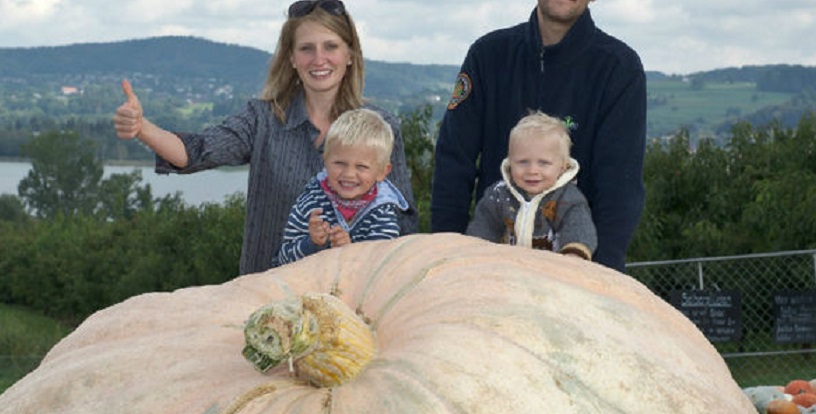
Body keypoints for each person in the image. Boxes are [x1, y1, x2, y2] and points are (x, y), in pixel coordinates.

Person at [113, 0, 417, 276]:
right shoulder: (262, 120)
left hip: (354, 297)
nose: (319, 59)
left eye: (331, 47)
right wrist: (143, 128)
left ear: (349, 54)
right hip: (269, 295)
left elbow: (403, 224)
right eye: (306, 48)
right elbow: (198, 152)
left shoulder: (381, 126)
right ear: (292, 58)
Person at [430, 0, 646, 272]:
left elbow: (620, 188)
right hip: (489, 268)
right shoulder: (488, 55)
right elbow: (453, 160)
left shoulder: (619, 68)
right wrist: (445, 255)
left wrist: (600, 275)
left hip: (576, 272)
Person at [275, 108, 408, 265]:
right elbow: (282, 260)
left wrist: (349, 251)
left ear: (382, 172)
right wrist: (311, 243)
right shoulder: (311, 203)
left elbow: (380, 267)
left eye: (361, 167)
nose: (349, 174)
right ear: (325, 160)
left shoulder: (382, 212)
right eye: (340, 163)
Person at [466, 111, 595, 259]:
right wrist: (477, 250)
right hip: (506, 266)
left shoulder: (568, 198)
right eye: (523, 162)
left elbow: (578, 228)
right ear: (510, 162)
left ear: (562, 167)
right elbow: (484, 226)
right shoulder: (498, 195)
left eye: (543, 163)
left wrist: (574, 255)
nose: (532, 171)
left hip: (551, 268)